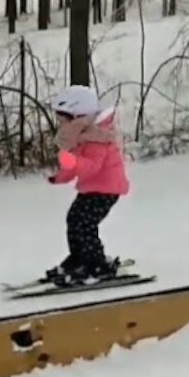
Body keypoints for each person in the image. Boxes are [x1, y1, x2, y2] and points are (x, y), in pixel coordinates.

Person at [44, 84, 130, 286]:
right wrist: (59, 177)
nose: (60, 123)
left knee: (85, 223)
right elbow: (73, 166)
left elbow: (91, 167)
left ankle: (96, 264)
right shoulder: (80, 135)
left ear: (77, 116)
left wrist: (71, 162)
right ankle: (79, 258)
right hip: (93, 188)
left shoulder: (98, 136)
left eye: (62, 119)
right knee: (74, 219)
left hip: (107, 189)